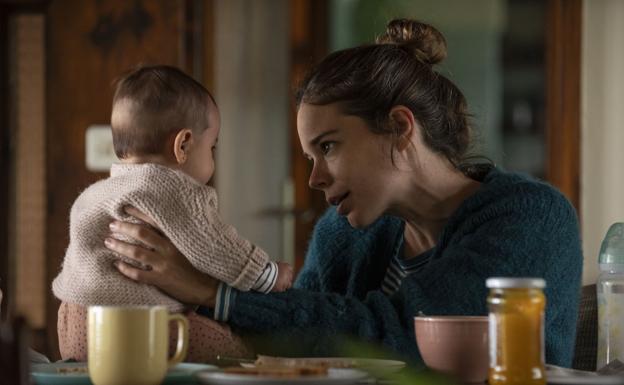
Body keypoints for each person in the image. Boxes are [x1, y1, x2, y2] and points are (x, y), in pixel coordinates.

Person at [105, 20, 583, 367]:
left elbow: (406, 338)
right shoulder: (341, 232)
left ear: (399, 127)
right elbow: (300, 338)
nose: (314, 179)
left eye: (328, 147)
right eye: (310, 157)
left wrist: (209, 291)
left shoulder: (529, 217)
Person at [52, 65, 293, 361]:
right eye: (212, 147)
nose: (213, 158)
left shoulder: (95, 194)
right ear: (184, 145)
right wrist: (266, 274)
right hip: (133, 325)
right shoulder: (173, 190)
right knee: (237, 352)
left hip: (72, 323)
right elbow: (216, 246)